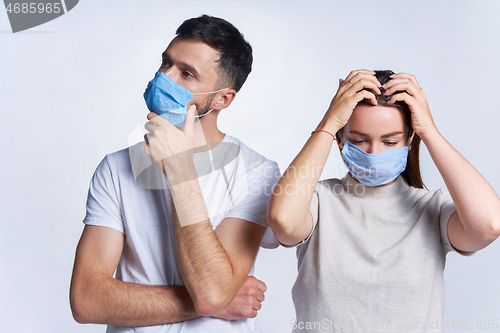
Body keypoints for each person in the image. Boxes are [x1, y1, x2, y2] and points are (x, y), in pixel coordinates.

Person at [70, 15, 280, 333]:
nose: (164, 78)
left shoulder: (256, 173)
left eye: (186, 74)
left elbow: (210, 292)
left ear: (223, 98)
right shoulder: (115, 168)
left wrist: (180, 172)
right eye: (166, 63)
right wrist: (214, 302)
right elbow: (87, 300)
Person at [267, 69, 500, 332]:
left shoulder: (432, 210)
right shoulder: (318, 201)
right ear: (340, 140)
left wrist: (430, 132)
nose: (374, 153)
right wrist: (329, 123)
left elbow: (489, 225)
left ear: (410, 139)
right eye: (358, 140)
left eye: (390, 141)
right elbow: (282, 221)